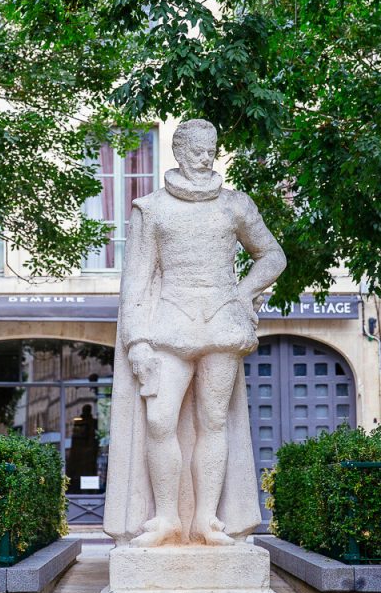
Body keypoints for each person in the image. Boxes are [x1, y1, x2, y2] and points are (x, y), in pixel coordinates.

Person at [104, 119, 286, 547]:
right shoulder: (152, 208)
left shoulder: (235, 205)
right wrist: (136, 340)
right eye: (197, 151)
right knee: (160, 420)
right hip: (168, 323)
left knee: (214, 420)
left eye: (211, 150)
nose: (206, 158)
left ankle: (206, 520)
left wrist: (243, 293)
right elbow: (136, 281)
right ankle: (166, 518)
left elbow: (272, 256)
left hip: (221, 322)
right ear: (179, 152)